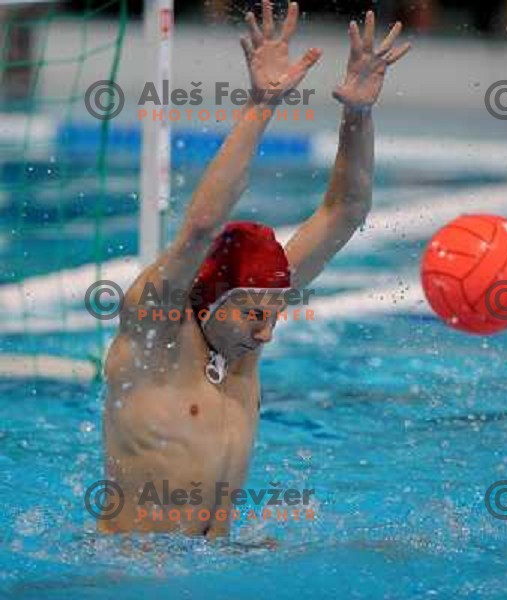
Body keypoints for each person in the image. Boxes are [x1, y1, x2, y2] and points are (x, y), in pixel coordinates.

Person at [102, 0, 411, 538]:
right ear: (212, 298)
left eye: (274, 313)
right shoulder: (155, 334)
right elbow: (200, 228)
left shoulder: (246, 325)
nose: (267, 331)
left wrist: (358, 114)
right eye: (253, 315)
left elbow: (345, 212)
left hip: (216, 565)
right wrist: (261, 105)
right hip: (132, 577)